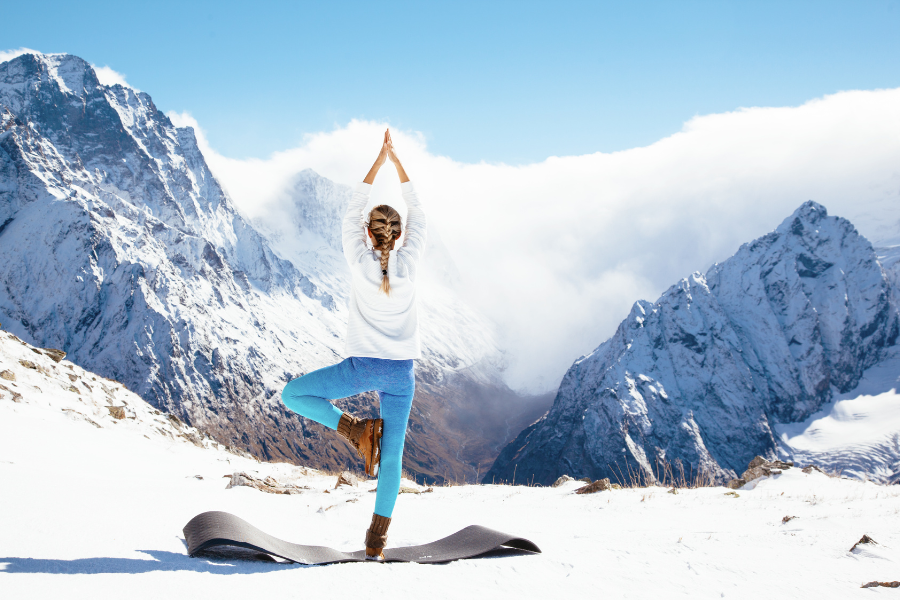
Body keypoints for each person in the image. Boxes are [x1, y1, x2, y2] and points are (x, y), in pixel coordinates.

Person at [281, 129, 425, 560]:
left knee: (294, 394)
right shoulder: (411, 261)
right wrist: (396, 164)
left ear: (368, 232)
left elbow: (349, 214)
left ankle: (354, 430)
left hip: (361, 368)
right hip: (401, 375)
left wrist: (377, 162)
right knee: (393, 456)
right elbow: (417, 209)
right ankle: (375, 543)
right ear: (398, 236)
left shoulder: (358, 260)